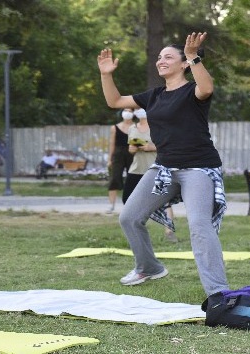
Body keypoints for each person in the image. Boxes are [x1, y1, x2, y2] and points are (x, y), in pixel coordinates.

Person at [97, 32, 229, 296]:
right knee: (129, 217)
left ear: (183, 64)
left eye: (168, 57)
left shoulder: (193, 90)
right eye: (159, 57)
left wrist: (193, 57)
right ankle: (149, 267)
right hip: (164, 168)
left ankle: (218, 293)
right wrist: (106, 74)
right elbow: (114, 101)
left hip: (198, 168)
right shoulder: (153, 95)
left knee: (199, 226)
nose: (161, 61)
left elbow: (207, 88)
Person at [122, 108, 178, 243]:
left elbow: (170, 146)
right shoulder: (132, 128)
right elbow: (131, 149)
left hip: (155, 168)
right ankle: (138, 227)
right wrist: (132, 149)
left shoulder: (158, 127)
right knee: (127, 198)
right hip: (136, 169)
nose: (139, 111)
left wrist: (152, 147)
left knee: (164, 201)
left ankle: (169, 231)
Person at [106, 108, 135, 213]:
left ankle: (131, 206)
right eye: (126, 110)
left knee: (132, 179)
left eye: (130, 111)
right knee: (114, 178)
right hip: (118, 155)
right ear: (122, 113)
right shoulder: (115, 127)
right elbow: (111, 144)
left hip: (132, 154)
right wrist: (110, 159)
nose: (128, 113)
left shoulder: (136, 127)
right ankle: (111, 205)